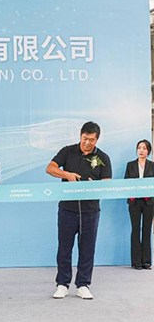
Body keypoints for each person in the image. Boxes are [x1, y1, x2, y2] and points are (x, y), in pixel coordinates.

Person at [46, 122, 112, 300]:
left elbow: (107, 183)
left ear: (97, 139)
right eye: (85, 138)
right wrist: (66, 174)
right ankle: (62, 284)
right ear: (80, 136)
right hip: (67, 209)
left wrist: (95, 186)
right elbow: (50, 168)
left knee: (87, 249)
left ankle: (83, 284)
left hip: (91, 211)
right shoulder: (68, 151)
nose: (87, 143)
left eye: (91, 140)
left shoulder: (103, 157)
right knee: (64, 248)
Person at [124, 139, 154, 270]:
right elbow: (126, 182)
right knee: (135, 230)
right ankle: (136, 261)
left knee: (147, 230)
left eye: (144, 148)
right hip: (134, 202)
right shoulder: (130, 165)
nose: (141, 150)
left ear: (148, 151)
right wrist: (132, 196)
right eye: (139, 148)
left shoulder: (152, 165)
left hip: (149, 202)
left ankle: (146, 261)